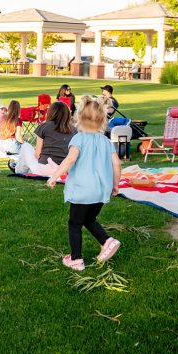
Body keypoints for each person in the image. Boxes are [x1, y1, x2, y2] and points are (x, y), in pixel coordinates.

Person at [47, 95, 122, 271]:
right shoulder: (106, 141)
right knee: (89, 219)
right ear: (103, 119)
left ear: (78, 118)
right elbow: (117, 164)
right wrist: (116, 185)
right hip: (101, 191)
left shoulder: (78, 139)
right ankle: (107, 241)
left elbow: (69, 160)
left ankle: (76, 259)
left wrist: (55, 176)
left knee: (74, 223)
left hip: (82, 191)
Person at [15, 101, 76, 175]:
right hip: (65, 169)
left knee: (26, 146)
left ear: (50, 112)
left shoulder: (44, 126)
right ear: (67, 114)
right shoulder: (74, 130)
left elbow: (37, 155)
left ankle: (19, 170)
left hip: (44, 169)